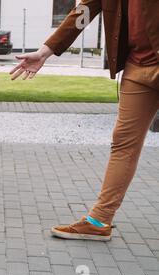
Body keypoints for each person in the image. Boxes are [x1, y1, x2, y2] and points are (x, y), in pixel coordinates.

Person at [10, 0, 158, 241]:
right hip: (138, 67)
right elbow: (83, 12)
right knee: (123, 144)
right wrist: (45, 51)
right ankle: (99, 220)